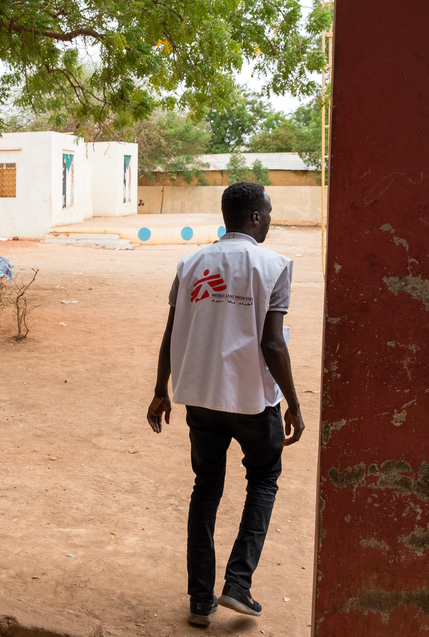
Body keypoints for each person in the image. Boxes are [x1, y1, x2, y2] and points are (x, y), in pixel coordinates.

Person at [145, 181, 305, 627]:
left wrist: (162, 390)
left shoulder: (191, 262)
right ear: (255, 217)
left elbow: (171, 332)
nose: (270, 221)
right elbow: (272, 344)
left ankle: (200, 599)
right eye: (268, 214)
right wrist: (293, 401)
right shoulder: (274, 265)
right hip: (252, 401)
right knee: (264, 479)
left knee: (206, 489)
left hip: (201, 399)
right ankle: (238, 585)